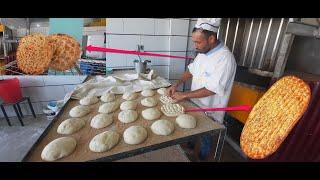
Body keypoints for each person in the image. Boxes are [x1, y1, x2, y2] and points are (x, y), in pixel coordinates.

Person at [166, 18, 237, 161]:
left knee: (206, 138)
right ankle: (190, 149)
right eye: (194, 41)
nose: (195, 45)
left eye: (198, 42)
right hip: (196, 104)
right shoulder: (203, 52)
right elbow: (191, 70)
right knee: (192, 130)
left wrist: (184, 95)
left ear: (211, 39)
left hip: (210, 111)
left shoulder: (225, 58)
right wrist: (176, 84)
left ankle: (201, 158)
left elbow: (212, 89)